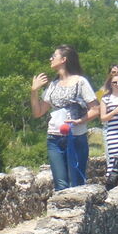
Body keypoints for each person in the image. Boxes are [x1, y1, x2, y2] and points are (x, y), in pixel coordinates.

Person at [29, 44, 99, 190]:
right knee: (60, 184)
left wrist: (79, 120)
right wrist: (34, 91)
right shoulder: (53, 85)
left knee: (77, 182)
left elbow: (95, 109)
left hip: (76, 136)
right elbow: (38, 112)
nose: (50, 59)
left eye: (54, 56)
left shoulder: (80, 82)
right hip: (54, 138)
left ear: (64, 59)